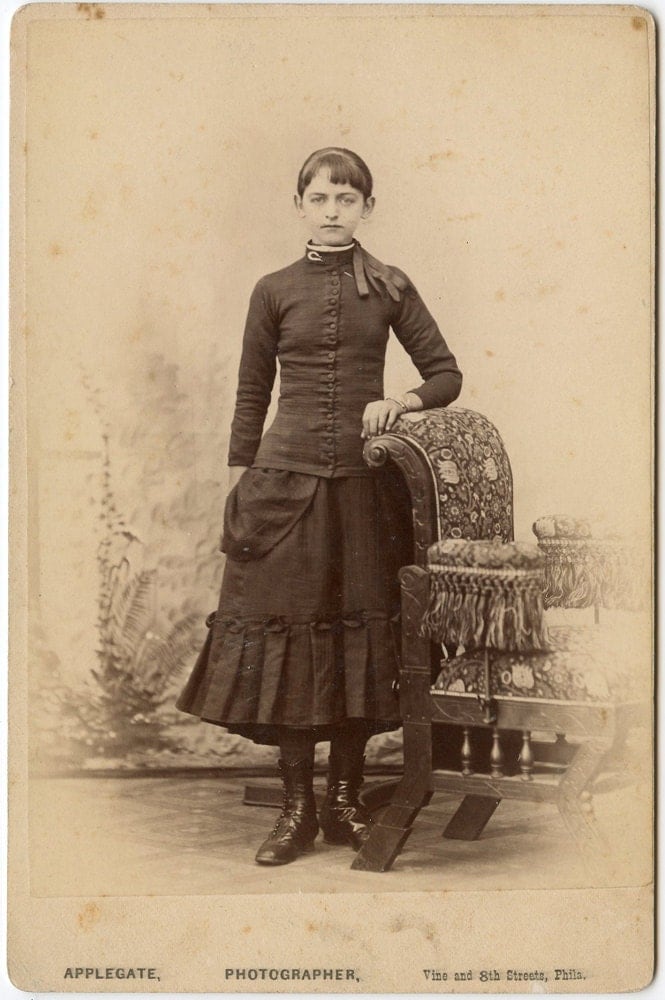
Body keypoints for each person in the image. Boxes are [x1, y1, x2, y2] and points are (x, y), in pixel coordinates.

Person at [176, 147, 462, 866]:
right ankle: (297, 808)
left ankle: (344, 801)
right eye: (319, 197)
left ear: (368, 207)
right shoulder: (271, 289)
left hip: (365, 491)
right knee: (295, 639)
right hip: (285, 485)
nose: (332, 209)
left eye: (346, 198)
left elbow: (444, 373)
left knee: (356, 645)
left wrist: (400, 402)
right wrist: (241, 477)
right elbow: (250, 392)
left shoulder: (390, 285)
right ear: (299, 204)